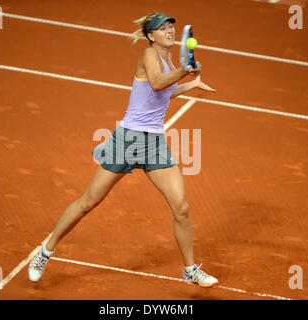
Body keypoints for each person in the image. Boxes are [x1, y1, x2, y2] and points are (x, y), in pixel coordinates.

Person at [28, 12, 218, 288]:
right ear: (151, 36)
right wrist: (184, 71)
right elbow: (156, 83)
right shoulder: (149, 56)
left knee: (182, 208)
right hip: (127, 140)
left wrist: (191, 83)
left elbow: (164, 92)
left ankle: (189, 269)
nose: (169, 31)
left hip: (154, 143)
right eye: (163, 28)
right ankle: (45, 252)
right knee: (88, 202)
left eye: (171, 27)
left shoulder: (165, 58)